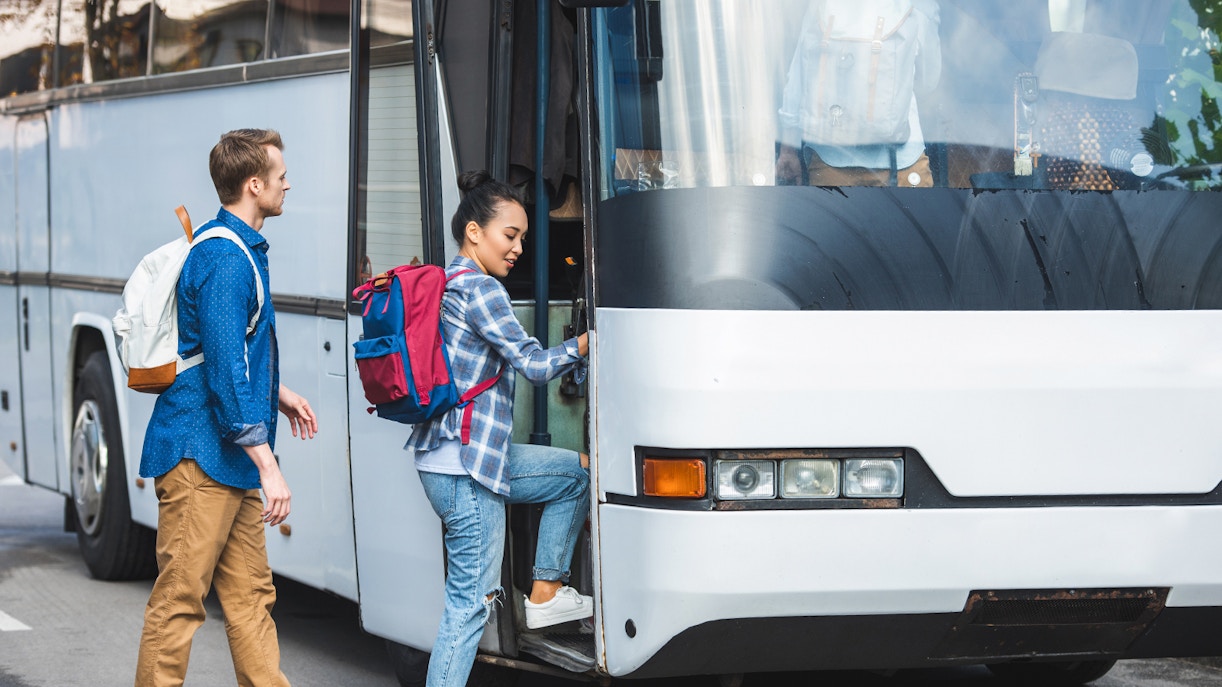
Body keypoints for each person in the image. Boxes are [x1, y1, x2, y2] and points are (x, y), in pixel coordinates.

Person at [135, 128, 318, 687]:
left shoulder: (238, 248)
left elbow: (230, 349)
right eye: (281, 176)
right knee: (180, 602)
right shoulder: (224, 257)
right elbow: (221, 365)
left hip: (226, 460)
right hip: (199, 459)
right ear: (254, 184)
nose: (289, 184)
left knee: (251, 600)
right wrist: (271, 466)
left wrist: (277, 394)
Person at [404, 171, 592, 687]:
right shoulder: (482, 289)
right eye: (510, 235)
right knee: (468, 608)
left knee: (575, 475)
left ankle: (547, 592)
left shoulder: (445, 283)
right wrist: (582, 345)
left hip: (461, 458)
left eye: (523, 238)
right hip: (466, 472)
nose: (518, 248)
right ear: (473, 232)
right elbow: (532, 365)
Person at [777, 0, 941, 188]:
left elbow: (798, 77)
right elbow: (929, 82)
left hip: (831, 163)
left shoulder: (820, 5)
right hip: (902, 162)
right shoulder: (921, 4)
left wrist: (788, 149)